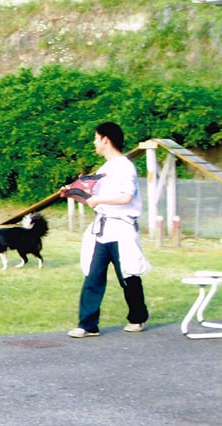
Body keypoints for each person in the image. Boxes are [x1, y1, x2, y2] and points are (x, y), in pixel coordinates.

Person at [67, 122, 151, 338]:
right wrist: (71, 193)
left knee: (128, 275)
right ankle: (88, 324)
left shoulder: (124, 166)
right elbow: (90, 198)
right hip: (102, 229)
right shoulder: (103, 169)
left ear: (106, 139)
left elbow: (126, 197)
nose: (94, 143)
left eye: (96, 138)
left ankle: (137, 317)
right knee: (93, 275)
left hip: (121, 228)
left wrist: (98, 199)